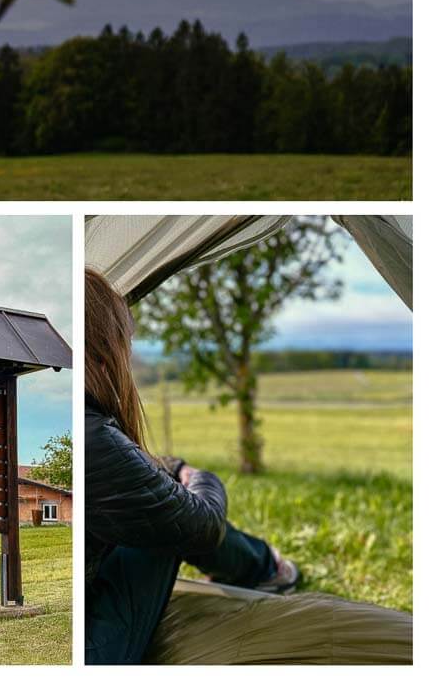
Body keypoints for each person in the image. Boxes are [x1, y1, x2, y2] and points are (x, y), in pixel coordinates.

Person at [86, 267, 300, 665]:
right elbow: (201, 526)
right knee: (169, 522)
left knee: (158, 500)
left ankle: (262, 565)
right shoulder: (93, 436)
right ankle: (264, 566)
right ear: (104, 348)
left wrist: (165, 472)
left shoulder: (86, 429)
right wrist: (196, 476)